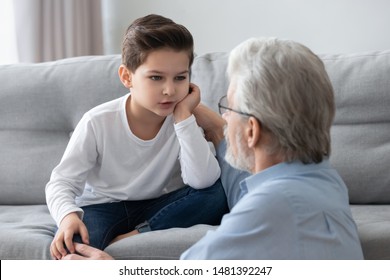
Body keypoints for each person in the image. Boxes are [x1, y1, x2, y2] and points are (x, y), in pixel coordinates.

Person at [61, 37, 364, 260]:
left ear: (252, 130)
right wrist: (214, 126)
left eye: (228, 108)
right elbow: (243, 188)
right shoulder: (324, 181)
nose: (225, 118)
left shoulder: (268, 209)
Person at [45, 14, 228, 260]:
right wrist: (67, 216)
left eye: (180, 78)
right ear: (127, 77)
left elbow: (202, 181)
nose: (170, 90)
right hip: (102, 208)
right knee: (71, 248)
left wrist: (184, 117)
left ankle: (132, 236)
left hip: (161, 204)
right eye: (156, 77)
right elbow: (61, 182)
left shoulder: (183, 120)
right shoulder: (97, 122)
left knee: (217, 194)